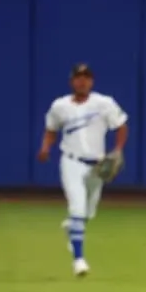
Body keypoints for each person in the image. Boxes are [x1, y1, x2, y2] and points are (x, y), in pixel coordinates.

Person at [37, 63, 129, 278]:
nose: (82, 81)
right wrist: (45, 147)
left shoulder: (104, 103)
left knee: (88, 213)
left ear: (92, 81)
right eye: (78, 77)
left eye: (86, 77)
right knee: (77, 207)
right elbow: (51, 129)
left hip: (97, 165)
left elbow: (122, 125)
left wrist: (117, 149)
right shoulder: (60, 106)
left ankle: (73, 226)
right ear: (72, 81)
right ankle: (79, 260)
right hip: (71, 162)